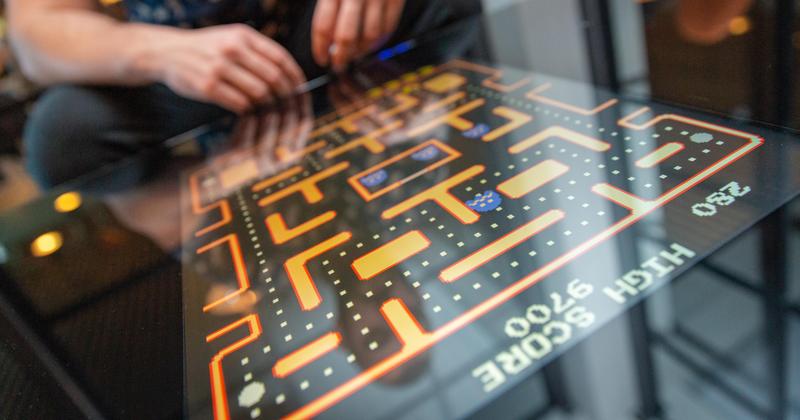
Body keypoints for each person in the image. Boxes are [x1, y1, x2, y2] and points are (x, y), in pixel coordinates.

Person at [6, 0, 479, 187]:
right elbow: (35, 33)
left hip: (326, 26)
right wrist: (159, 52)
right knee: (63, 139)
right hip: (188, 63)